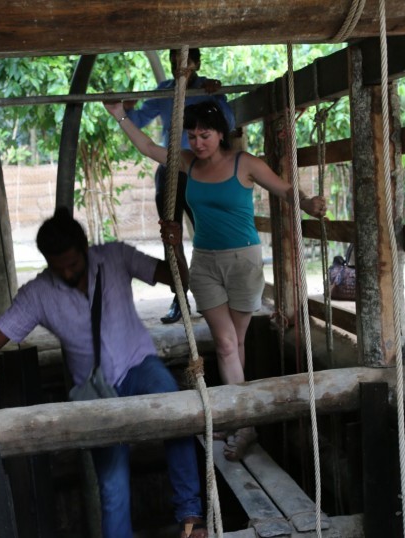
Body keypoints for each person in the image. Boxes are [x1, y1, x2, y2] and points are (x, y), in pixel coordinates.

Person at [104, 99, 326, 461]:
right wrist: (120, 116)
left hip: (243, 262)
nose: (197, 142)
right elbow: (147, 147)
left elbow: (285, 190)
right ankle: (245, 424)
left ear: (221, 134)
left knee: (233, 343)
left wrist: (307, 204)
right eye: (192, 135)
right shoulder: (188, 164)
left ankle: (233, 416)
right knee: (225, 344)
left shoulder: (245, 164)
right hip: (204, 265)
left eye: (204, 135)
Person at [0, 207, 207, 538]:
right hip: (96, 393)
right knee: (112, 487)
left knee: (178, 410)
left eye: (72, 263)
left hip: (139, 364)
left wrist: (175, 247)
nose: (67, 273)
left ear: (85, 247)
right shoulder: (39, 293)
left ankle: (191, 517)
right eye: (58, 268)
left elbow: (179, 280)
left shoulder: (115, 257)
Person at [124, 48, 235, 324]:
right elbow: (137, 121)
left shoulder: (208, 89)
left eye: (184, 61)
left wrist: (218, 96)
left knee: (207, 236)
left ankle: (216, 296)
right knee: (171, 239)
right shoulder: (164, 90)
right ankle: (180, 298)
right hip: (171, 169)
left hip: (200, 171)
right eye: (174, 62)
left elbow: (229, 124)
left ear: (196, 63)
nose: (178, 66)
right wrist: (126, 108)